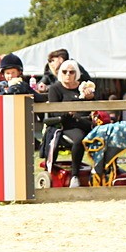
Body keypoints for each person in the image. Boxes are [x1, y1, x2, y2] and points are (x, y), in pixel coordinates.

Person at [46, 60, 96, 188]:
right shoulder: (55, 88)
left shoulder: (84, 87)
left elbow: (98, 103)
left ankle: (102, 171)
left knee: (104, 134)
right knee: (79, 138)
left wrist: (90, 98)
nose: (68, 74)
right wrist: (68, 112)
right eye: (64, 71)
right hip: (68, 124)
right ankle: (75, 175)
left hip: (87, 122)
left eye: (71, 72)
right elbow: (53, 113)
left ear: (76, 73)